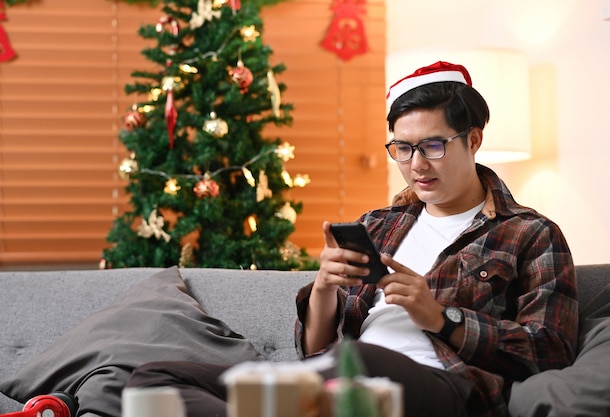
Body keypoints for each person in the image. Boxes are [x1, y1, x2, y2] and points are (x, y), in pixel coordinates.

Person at [126, 61, 578, 417]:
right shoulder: (381, 224)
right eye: (402, 148)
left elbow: (551, 350)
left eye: (433, 145)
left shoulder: (531, 234)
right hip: (334, 376)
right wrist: (323, 289)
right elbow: (315, 346)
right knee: (154, 377)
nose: (417, 163)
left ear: (473, 139)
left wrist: (442, 318)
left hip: (440, 385)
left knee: (358, 359)